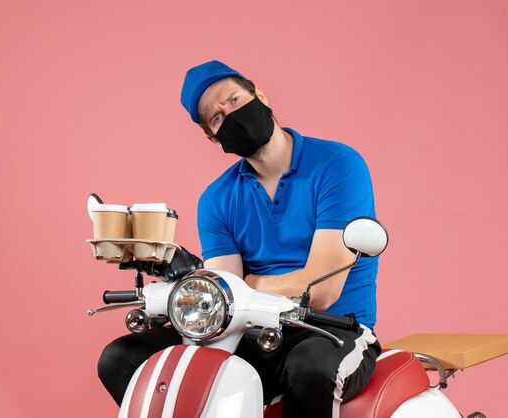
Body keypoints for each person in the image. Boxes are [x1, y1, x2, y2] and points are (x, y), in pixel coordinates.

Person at [98, 60, 381, 418]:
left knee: (310, 368)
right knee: (122, 358)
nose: (230, 115)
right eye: (217, 118)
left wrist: (246, 284)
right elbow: (222, 301)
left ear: (258, 94)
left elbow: (321, 291)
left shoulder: (337, 165)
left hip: (330, 331)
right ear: (212, 137)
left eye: (233, 100)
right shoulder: (217, 199)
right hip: (251, 332)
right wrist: (185, 276)